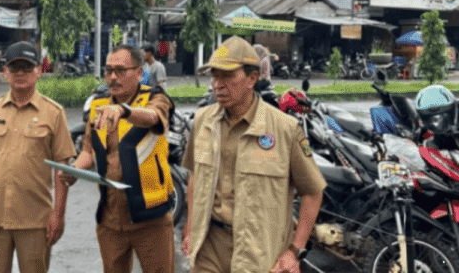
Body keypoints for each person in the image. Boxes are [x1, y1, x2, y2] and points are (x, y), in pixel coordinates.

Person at [181, 36, 326, 273]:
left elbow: (312, 192)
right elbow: (195, 176)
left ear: (252, 78)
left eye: (227, 76)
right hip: (208, 245)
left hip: (258, 251)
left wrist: (294, 250)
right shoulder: (203, 120)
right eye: (214, 76)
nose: (217, 84)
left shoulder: (285, 128)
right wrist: (190, 226)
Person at [61, 44, 175, 273]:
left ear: (139, 72)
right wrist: (73, 169)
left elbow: (153, 117)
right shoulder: (98, 105)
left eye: (120, 70)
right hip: (111, 218)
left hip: (151, 217)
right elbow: (88, 151)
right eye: (108, 71)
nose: (113, 77)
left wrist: (125, 111)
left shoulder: (155, 98)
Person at [0, 41, 76, 273]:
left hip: (35, 219)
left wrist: (58, 214)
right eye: (15, 67)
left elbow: (62, 167)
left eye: (27, 67)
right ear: (5, 72)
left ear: (39, 71)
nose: (21, 73)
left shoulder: (53, 113)